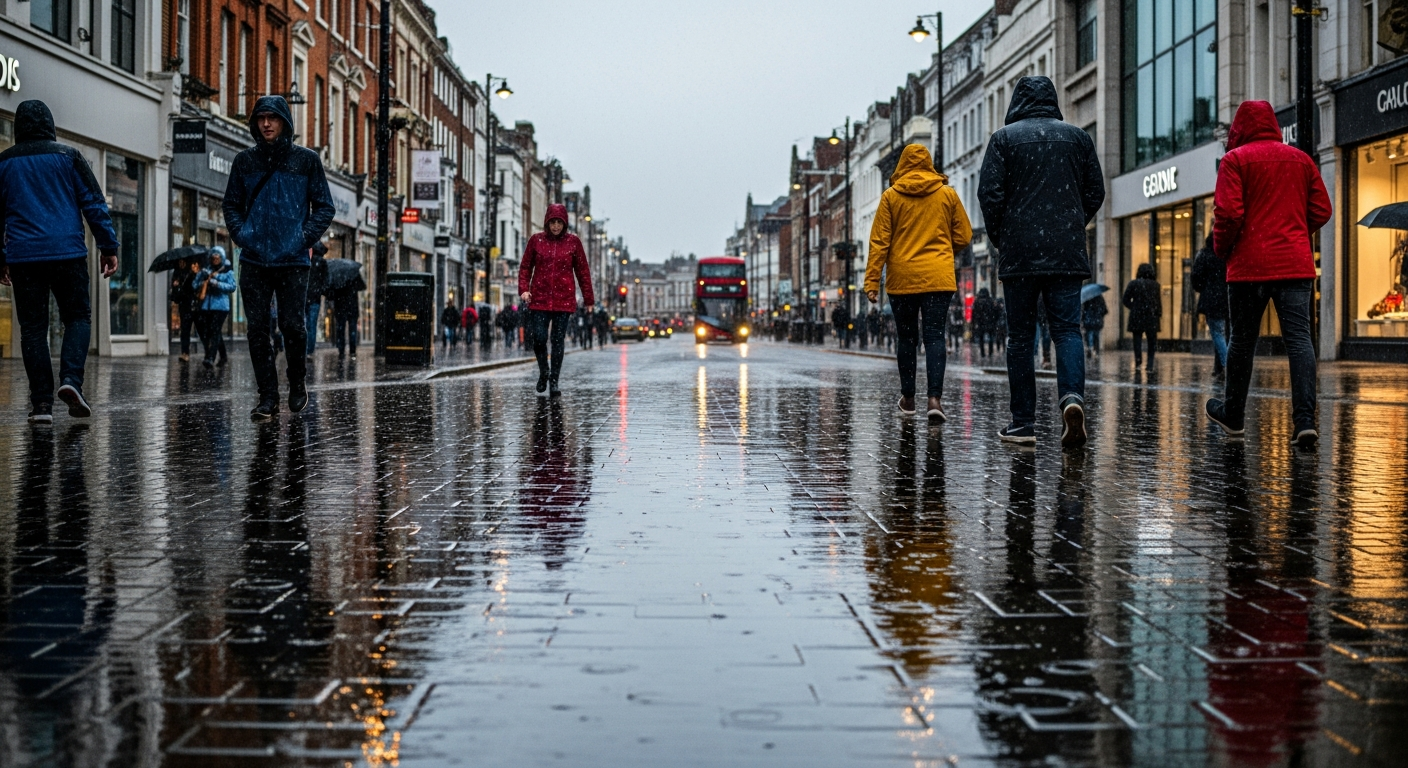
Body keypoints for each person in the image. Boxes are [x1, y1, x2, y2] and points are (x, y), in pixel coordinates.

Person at [978, 75, 1105, 447]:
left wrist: (1004, 236)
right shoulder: (1078, 138)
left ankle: (1023, 423)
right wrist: (1071, 223)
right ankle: (1072, 398)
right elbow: (1095, 191)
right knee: (1067, 330)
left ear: (1017, 101)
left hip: (1020, 254)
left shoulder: (1003, 140)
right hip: (1065, 252)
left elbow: (990, 195)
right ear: (1052, 100)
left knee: (1020, 337)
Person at [1206, 100, 1333, 448]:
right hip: (1294, 265)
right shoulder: (1301, 159)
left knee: (1243, 342)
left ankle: (1233, 416)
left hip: (1248, 267)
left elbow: (1228, 214)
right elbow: (1323, 209)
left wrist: (1222, 249)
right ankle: (1304, 421)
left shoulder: (1235, 160)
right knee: (1299, 341)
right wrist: (1292, 232)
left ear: (1239, 128)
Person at [0, 100, 120, 423]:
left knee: (33, 330)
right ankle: (71, 381)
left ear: (18, 129)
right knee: (78, 318)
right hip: (67, 253)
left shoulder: (4, 163)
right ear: (50, 126)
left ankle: (41, 406)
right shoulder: (68, 157)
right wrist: (108, 246)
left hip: (24, 257)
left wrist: (2, 257)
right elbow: (94, 203)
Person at [223, 95, 335, 421]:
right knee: (257, 330)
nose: (267, 124)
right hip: (255, 259)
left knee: (292, 326)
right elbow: (231, 204)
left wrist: (302, 238)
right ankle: (267, 398)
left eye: (273, 118)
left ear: (285, 121)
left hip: (293, 260)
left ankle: (297, 381)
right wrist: (242, 235)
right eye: (261, 118)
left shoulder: (306, 160)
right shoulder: (245, 161)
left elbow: (324, 206)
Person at [865, 143, 973, 421]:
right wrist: (941, 250)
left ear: (902, 165)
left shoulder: (890, 197)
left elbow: (879, 242)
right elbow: (963, 236)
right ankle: (934, 399)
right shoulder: (947, 194)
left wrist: (872, 281)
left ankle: (908, 398)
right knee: (935, 335)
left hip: (902, 279)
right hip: (938, 277)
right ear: (929, 164)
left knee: (907, 337)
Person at [518, 203, 595, 396]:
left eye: (559, 223)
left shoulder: (573, 242)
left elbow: (583, 272)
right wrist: (524, 290)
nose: (555, 227)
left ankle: (554, 381)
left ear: (564, 223)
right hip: (540, 298)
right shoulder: (536, 241)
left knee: (558, 340)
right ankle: (544, 371)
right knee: (539, 339)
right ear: (547, 222)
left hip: (563, 299)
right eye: (552, 222)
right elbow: (525, 267)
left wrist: (589, 300)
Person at [1190, 233, 1229, 375]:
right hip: (1228, 297)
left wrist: (1204, 288)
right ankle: (1220, 367)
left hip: (1212, 299)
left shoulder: (1205, 255)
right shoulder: (1226, 254)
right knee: (1226, 334)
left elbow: (1196, 277)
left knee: (1217, 333)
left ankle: (1226, 365)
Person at [194, 247, 235, 368]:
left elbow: (232, 286)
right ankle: (223, 356)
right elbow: (195, 284)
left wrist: (217, 283)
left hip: (221, 306)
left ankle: (210, 357)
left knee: (215, 330)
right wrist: (204, 282)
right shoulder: (206, 271)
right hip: (207, 306)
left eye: (217, 258)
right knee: (212, 332)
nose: (215, 260)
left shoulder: (227, 271)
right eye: (213, 258)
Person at [1122, 263, 1162, 369]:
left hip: (1137, 316)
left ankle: (1138, 362)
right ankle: (1150, 364)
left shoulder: (1133, 284)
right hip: (1151, 316)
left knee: (1137, 340)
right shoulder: (1155, 285)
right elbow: (1158, 302)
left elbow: (1125, 299)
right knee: (1152, 341)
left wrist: (1134, 307)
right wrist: (1158, 314)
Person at [328, 268, 364, 358]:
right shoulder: (354, 276)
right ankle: (352, 350)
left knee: (341, 329)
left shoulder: (337, 277)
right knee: (352, 330)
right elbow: (361, 286)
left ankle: (341, 350)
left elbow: (331, 292)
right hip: (352, 307)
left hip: (341, 307)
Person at [305, 241, 329, 363]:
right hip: (315, 299)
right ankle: (310, 351)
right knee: (312, 325)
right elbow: (326, 281)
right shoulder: (323, 263)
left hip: (305, 296)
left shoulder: (307, 260)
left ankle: (303, 350)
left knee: (303, 324)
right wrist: (321, 290)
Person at [172, 260, 200, 361]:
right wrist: (176, 286)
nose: (181, 264)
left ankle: (208, 351)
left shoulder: (191, 273)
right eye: (179, 262)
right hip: (184, 305)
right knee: (185, 329)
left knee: (199, 328)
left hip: (192, 304)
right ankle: (185, 352)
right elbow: (175, 290)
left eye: (183, 262)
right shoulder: (177, 273)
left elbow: (194, 287)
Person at [1081, 289, 1108, 359]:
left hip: (1089, 320)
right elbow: (1105, 310)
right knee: (1096, 335)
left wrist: (1083, 319)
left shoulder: (1087, 298)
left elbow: (1084, 310)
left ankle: (1090, 348)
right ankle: (1096, 350)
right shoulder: (1100, 298)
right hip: (1097, 320)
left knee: (1089, 334)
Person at [972, 288, 999, 358]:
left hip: (980, 323)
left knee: (981, 338)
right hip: (990, 323)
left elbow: (974, 313)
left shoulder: (977, 301)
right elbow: (995, 312)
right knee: (990, 338)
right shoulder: (990, 301)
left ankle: (982, 353)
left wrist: (975, 322)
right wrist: (994, 321)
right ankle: (990, 353)